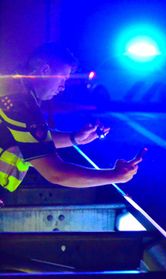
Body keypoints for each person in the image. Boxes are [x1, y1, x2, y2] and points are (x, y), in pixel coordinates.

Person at [0, 43, 142, 197]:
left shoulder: (12, 91)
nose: (63, 87)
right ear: (45, 70)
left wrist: (75, 139)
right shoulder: (19, 105)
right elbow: (56, 173)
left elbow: (27, 138)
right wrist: (115, 176)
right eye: (62, 78)